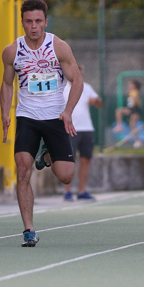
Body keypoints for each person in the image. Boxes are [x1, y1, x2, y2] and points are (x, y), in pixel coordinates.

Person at [1, 0, 83, 247]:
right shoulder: (12, 51)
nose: (34, 26)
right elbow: (7, 84)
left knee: (66, 176)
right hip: (27, 116)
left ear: (46, 22)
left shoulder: (59, 47)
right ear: (22, 23)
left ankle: (46, 154)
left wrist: (68, 111)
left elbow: (77, 80)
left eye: (38, 21)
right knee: (23, 170)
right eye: (29, 22)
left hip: (55, 116)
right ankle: (29, 229)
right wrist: (5, 113)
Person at [61, 64, 102, 201]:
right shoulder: (62, 88)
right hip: (70, 129)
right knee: (69, 161)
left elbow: (99, 103)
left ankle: (82, 191)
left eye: (80, 73)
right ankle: (67, 191)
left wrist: (96, 101)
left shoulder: (87, 87)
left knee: (86, 160)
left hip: (86, 129)